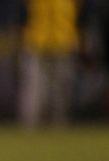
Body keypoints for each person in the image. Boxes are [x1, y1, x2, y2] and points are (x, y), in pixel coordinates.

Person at [18, 0, 88, 128]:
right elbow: (21, 12)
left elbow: (81, 12)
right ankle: (30, 126)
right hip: (36, 42)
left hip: (64, 41)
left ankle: (59, 125)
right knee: (34, 87)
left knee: (61, 88)